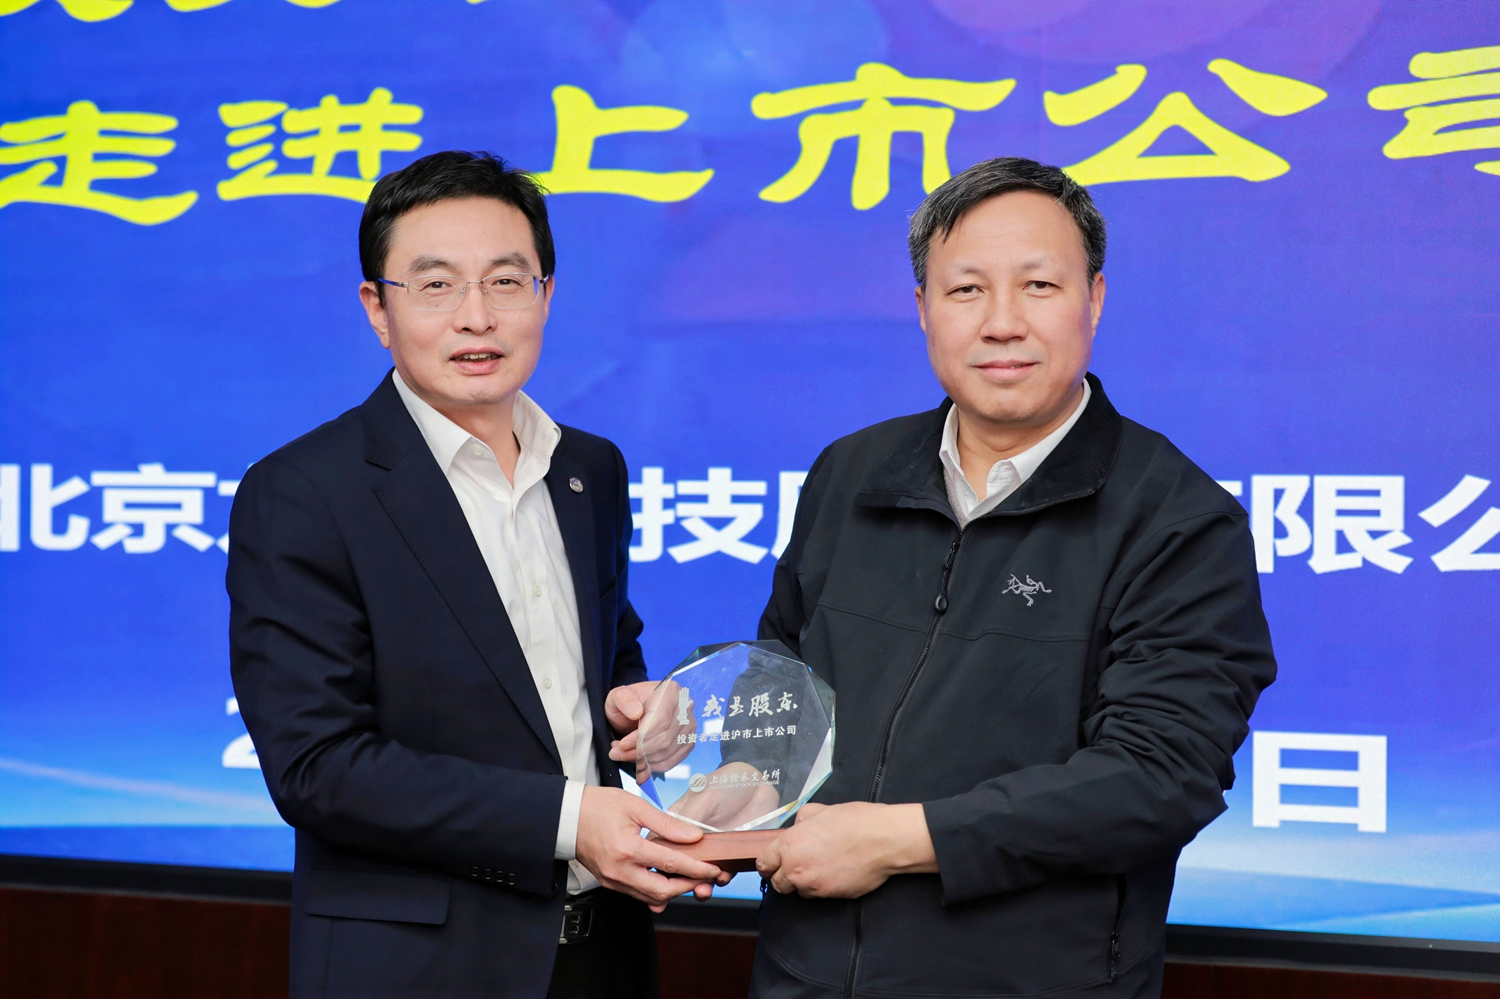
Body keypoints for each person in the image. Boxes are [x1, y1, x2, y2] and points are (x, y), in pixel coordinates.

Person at [748, 158, 1277, 998]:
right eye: (966, 290)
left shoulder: (1177, 518)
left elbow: (1158, 775)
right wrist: (718, 762)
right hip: (803, 973)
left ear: (1094, 299)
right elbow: (782, 674)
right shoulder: (851, 472)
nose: (1002, 323)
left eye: (1038, 285)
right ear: (922, 307)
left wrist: (896, 840)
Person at [226, 150, 725, 999]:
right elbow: (318, 765)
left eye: (505, 281)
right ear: (377, 309)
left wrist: (631, 707)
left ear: (546, 294)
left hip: (604, 951)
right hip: (420, 968)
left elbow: (603, 657)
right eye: (435, 285)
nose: (476, 317)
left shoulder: (590, 469)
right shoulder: (304, 491)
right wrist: (571, 819)